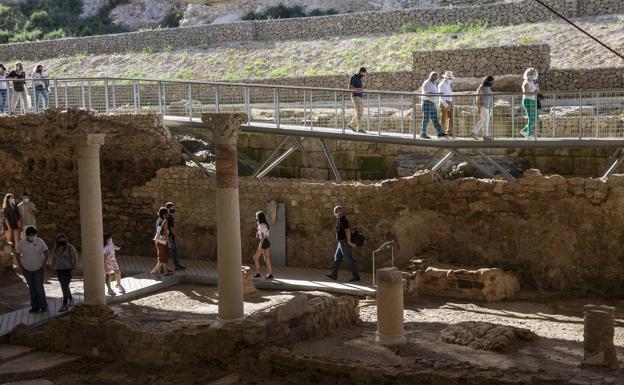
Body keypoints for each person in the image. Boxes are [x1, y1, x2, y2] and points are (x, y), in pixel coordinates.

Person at [15, 226, 48, 313]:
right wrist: (20, 265)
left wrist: (43, 264)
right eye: (30, 235)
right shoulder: (21, 243)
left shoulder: (39, 241)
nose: (32, 236)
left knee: (39, 287)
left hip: (38, 269)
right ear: (26, 235)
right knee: (32, 288)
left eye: (33, 235)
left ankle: (43, 306)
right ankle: (35, 307)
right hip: (27, 269)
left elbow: (46, 251)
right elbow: (17, 254)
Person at [326, 206, 360, 282]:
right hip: (341, 242)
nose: (334, 213)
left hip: (344, 242)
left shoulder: (343, 219)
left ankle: (356, 276)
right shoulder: (340, 219)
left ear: (338, 212)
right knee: (337, 258)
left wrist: (349, 242)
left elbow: (347, 231)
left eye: (334, 212)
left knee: (348, 259)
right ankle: (333, 274)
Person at [51, 233, 77, 312]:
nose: (61, 241)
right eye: (60, 239)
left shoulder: (70, 247)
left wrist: (73, 268)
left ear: (65, 239)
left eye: (63, 239)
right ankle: (71, 300)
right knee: (64, 286)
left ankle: (65, 304)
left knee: (64, 286)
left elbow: (75, 258)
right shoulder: (56, 248)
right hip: (59, 270)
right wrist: (53, 267)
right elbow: (53, 258)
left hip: (68, 270)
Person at [420, 72, 447, 139]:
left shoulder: (434, 83)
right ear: (432, 76)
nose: (437, 78)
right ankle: (423, 134)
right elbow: (428, 94)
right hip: (427, 102)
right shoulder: (426, 83)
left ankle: (440, 133)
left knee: (435, 119)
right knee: (426, 119)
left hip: (432, 103)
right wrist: (438, 94)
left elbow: (433, 93)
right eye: (436, 77)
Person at [472, 75, 495, 140]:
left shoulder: (488, 87)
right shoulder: (482, 87)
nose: (492, 83)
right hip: (483, 106)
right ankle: (485, 136)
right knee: (486, 120)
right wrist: (478, 107)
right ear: (488, 81)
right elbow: (478, 97)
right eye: (491, 81)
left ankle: (474, 132)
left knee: (482, 121)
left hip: (487, 106)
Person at [151, 207, 173, 277]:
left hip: (157, 240)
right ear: (164, 213)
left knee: (163, 257)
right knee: (162, 258)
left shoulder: (158, 220)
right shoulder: (165, 221)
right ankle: (155, 270)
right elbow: (165, 233)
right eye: (167, 212)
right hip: (162, 241)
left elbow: (158, 231)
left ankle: (165, 272)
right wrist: (169, 244)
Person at [252, 211, 274, 279]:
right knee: (266, 258)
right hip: (267, 242)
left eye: (256, 217)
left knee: (255, 258)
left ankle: (258, 273)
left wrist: (260, 246)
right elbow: (264, 235)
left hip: (263, 242)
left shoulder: (261, 225)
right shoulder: (265, 225)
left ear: (259, 217)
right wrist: (258, 235)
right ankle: (270, 274)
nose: (256, 218)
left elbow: (262, 237)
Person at [165, 201, 185, 270]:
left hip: (168, 236)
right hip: (170, 237)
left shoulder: (165, 216)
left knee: (173, 251)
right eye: (172, 208)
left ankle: (177, 265)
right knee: (168, 252)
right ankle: (163, 267)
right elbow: (172, 228)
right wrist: (178, 237)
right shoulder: (169, 217)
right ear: (168, 208)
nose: (173, 210)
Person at [521, 67, 540, 139]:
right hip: (528, 100)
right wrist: (534, 93)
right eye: (533, 73)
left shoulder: (532, 82)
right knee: (531, 118)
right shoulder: (526, 82)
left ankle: (525, 130)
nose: (534, 75)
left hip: (533, 100)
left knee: (536, 118)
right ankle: (528, 134)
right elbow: (526, 93)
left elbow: (537, 92)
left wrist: (537, 89)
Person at [347, 67, 367, 133]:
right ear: (361, 71)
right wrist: (358, 89)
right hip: (355, 96)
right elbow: (349, 88)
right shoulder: (354, 77)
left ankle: (352, 124)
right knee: (359, 112)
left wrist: (361, 90)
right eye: (363, 74)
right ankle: (359, 128)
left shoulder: (359, 78)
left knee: (360, 112)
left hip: (360, 96)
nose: (364, 75)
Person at [438, 71, 454, 136]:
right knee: (443, 118)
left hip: (449, 101)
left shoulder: (448, 83)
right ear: (446, 77)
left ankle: (449, 131)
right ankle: (441, 132)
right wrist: (446, 105)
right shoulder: (441, 85)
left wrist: (450, 102)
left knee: (451, 117)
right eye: (449, 78)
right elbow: (441, 96)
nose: (450, 79)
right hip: (444, 102)